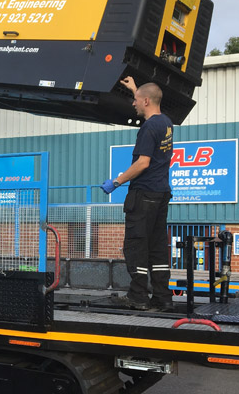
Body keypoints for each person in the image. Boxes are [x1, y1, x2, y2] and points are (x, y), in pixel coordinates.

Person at [100, 76, 173, 311]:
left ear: (147, 101)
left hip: (143, 195)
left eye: (136, 100)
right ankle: (162, 297)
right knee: (157, 246)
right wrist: (135, 89)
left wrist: (117, 181)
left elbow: (143, 163)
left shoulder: (148, 127)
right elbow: (148, 99)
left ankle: (138, 297)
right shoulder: (166, 122)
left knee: (136, 246)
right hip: (161, 194)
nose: (133, 103)